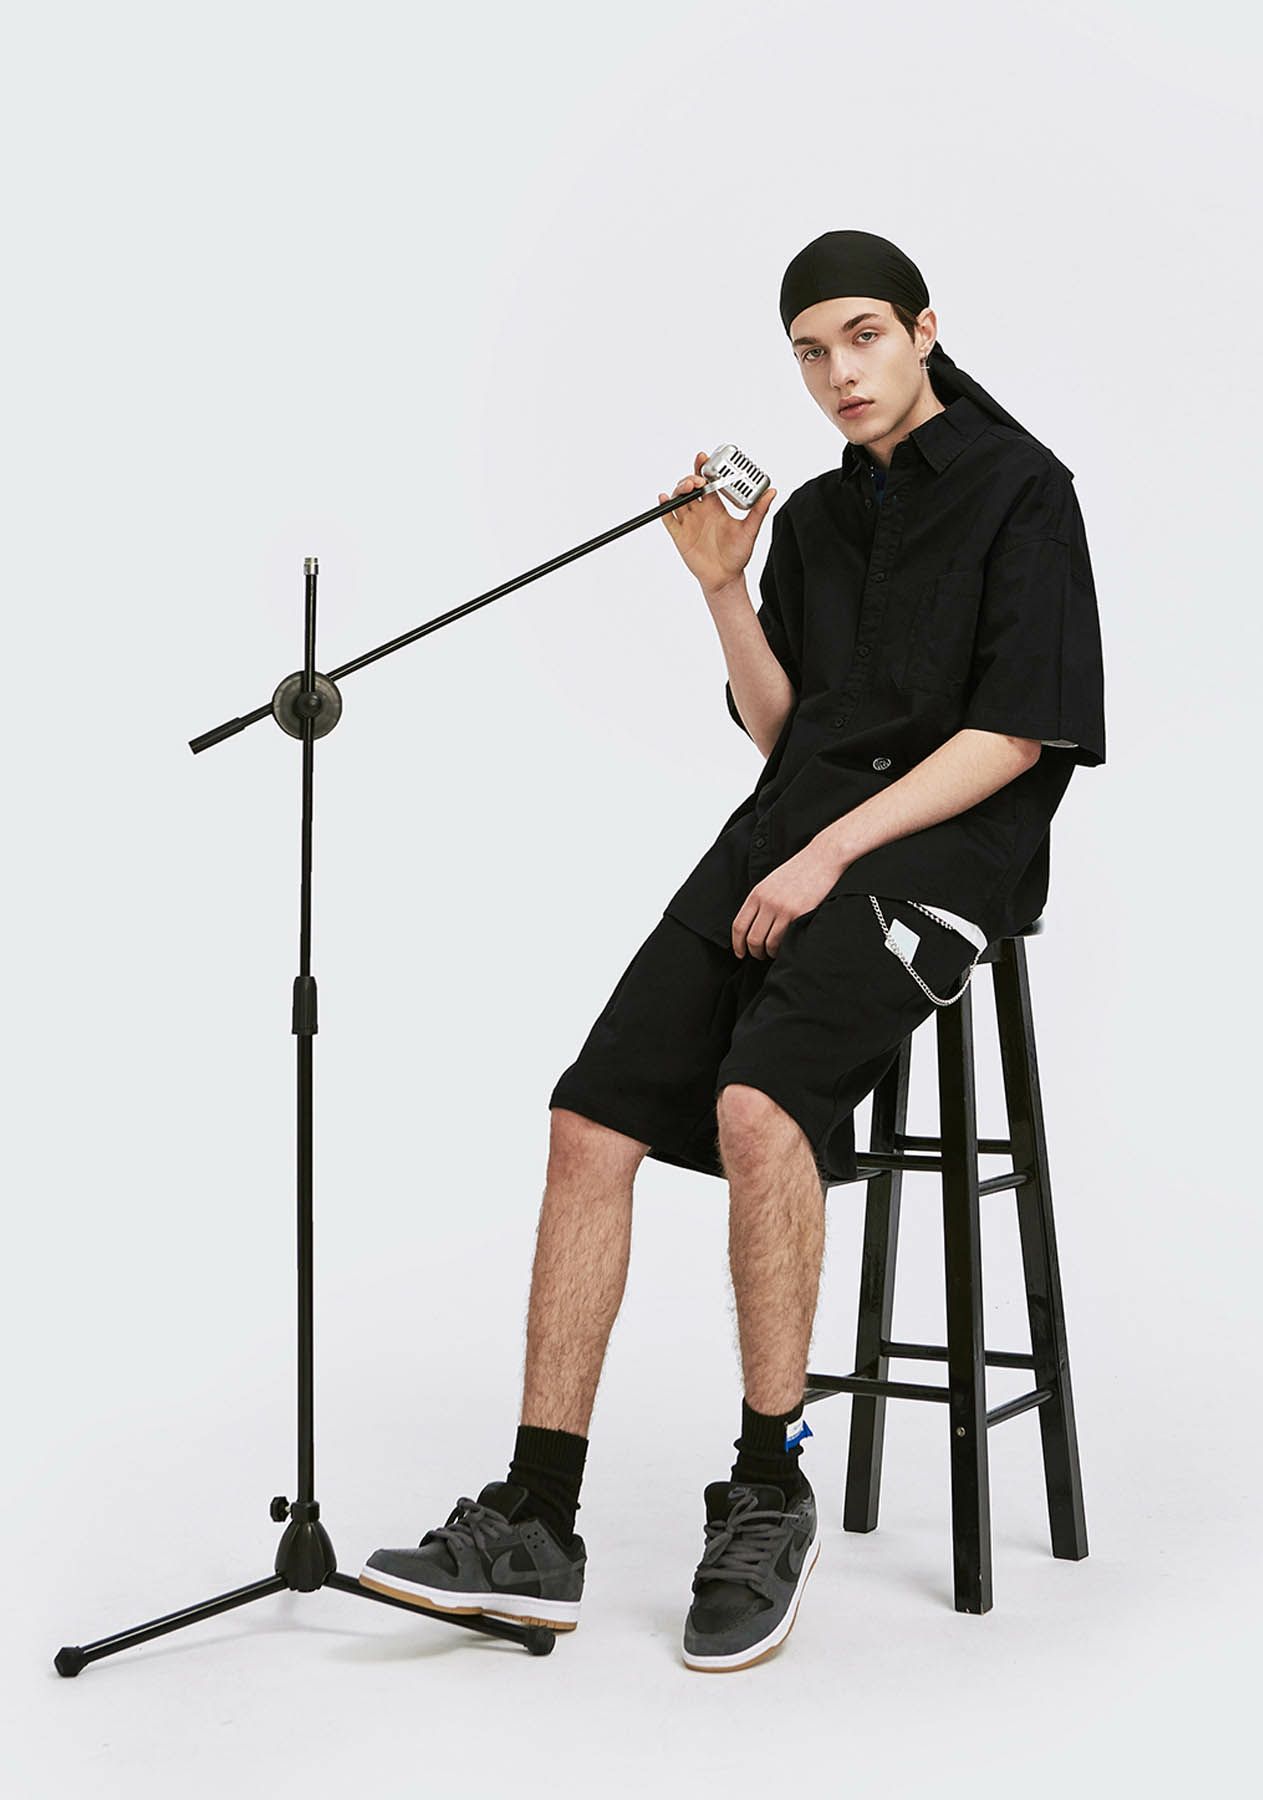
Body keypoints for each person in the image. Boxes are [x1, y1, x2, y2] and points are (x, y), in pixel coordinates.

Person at [359, 228, 1107, 1672]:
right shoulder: (819, 520)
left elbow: (1017, 734)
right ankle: (537, 1517)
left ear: (924, 329)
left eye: (864, 337)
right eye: (811, 354)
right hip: (787, 837)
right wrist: (719, 583)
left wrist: (833, 855)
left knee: (761, 1110)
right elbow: (785, 732)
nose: (841, 374)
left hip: (942, 855)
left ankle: (770, 1486)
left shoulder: (1026, 491)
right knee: (589, 1119)